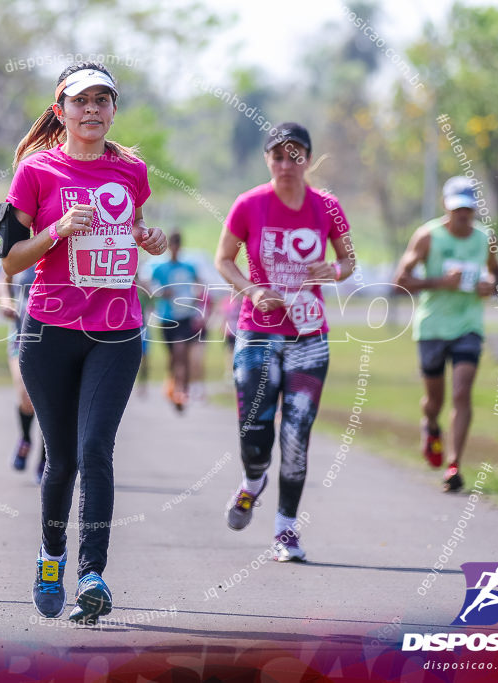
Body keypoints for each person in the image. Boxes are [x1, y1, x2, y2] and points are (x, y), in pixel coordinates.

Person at [0, 62, 167, 623]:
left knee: (97, 449)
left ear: (113, 109)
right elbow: (12, 258)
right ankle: (51, 558)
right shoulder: (35, 172)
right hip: (49, 333)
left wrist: (150, 238)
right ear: (60, 109)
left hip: (117, 331)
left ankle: (92, 575)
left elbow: (134, 229)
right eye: (81, 101)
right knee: (63, 458)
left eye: (102, 100)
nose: (91, 109)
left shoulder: (133, 170)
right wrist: (56, 232)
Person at [214, 122, 355, 562]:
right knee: (256, 432)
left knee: (296, 435)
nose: (286, 164)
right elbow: (223, 259)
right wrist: (252, 290)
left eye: (295, 155)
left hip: (309, 336)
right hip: (258, 331)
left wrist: (332, 271)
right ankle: (253, 482)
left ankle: (285, 531)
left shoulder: (327, 207)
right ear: (267, 160)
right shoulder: (249, 205)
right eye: (277, 155)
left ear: (308, 160)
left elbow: (348, 259)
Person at [394, 176, 498, 492]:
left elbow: (496, 272)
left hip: (468, 326)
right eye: (458, 209)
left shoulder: (485, 239)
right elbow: (400, 280)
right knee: (435, 400)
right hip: (432, 328)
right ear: (446, 207)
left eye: (468, 209)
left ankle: (454, 465)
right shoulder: (428, 237)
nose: (463, 215)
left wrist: (490, 286)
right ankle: (430, 425)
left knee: (462, 392)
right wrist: (441, 282)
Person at [0, 265, 46, 482]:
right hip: (21, 333)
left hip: (57, 333)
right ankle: (25, 439)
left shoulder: (63, 240)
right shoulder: (22, 243)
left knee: (51, 401)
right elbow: (3, 280)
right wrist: (6, 303)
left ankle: (46, 459)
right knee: (26, 397)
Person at [150, 231, 202, 412]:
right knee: (174, 356)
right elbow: (149, 287)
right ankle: (173, 384)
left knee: (182, 352)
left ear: (180, 246)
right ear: (168, 247)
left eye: (177, 245)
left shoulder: (188, 267)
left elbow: (198, 284)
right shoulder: (159, 268)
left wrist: (196, 297)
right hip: (166, 318)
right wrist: (162, 293)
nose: (174, 249)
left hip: (185, 315)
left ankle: (182, 390)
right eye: (172, 245)